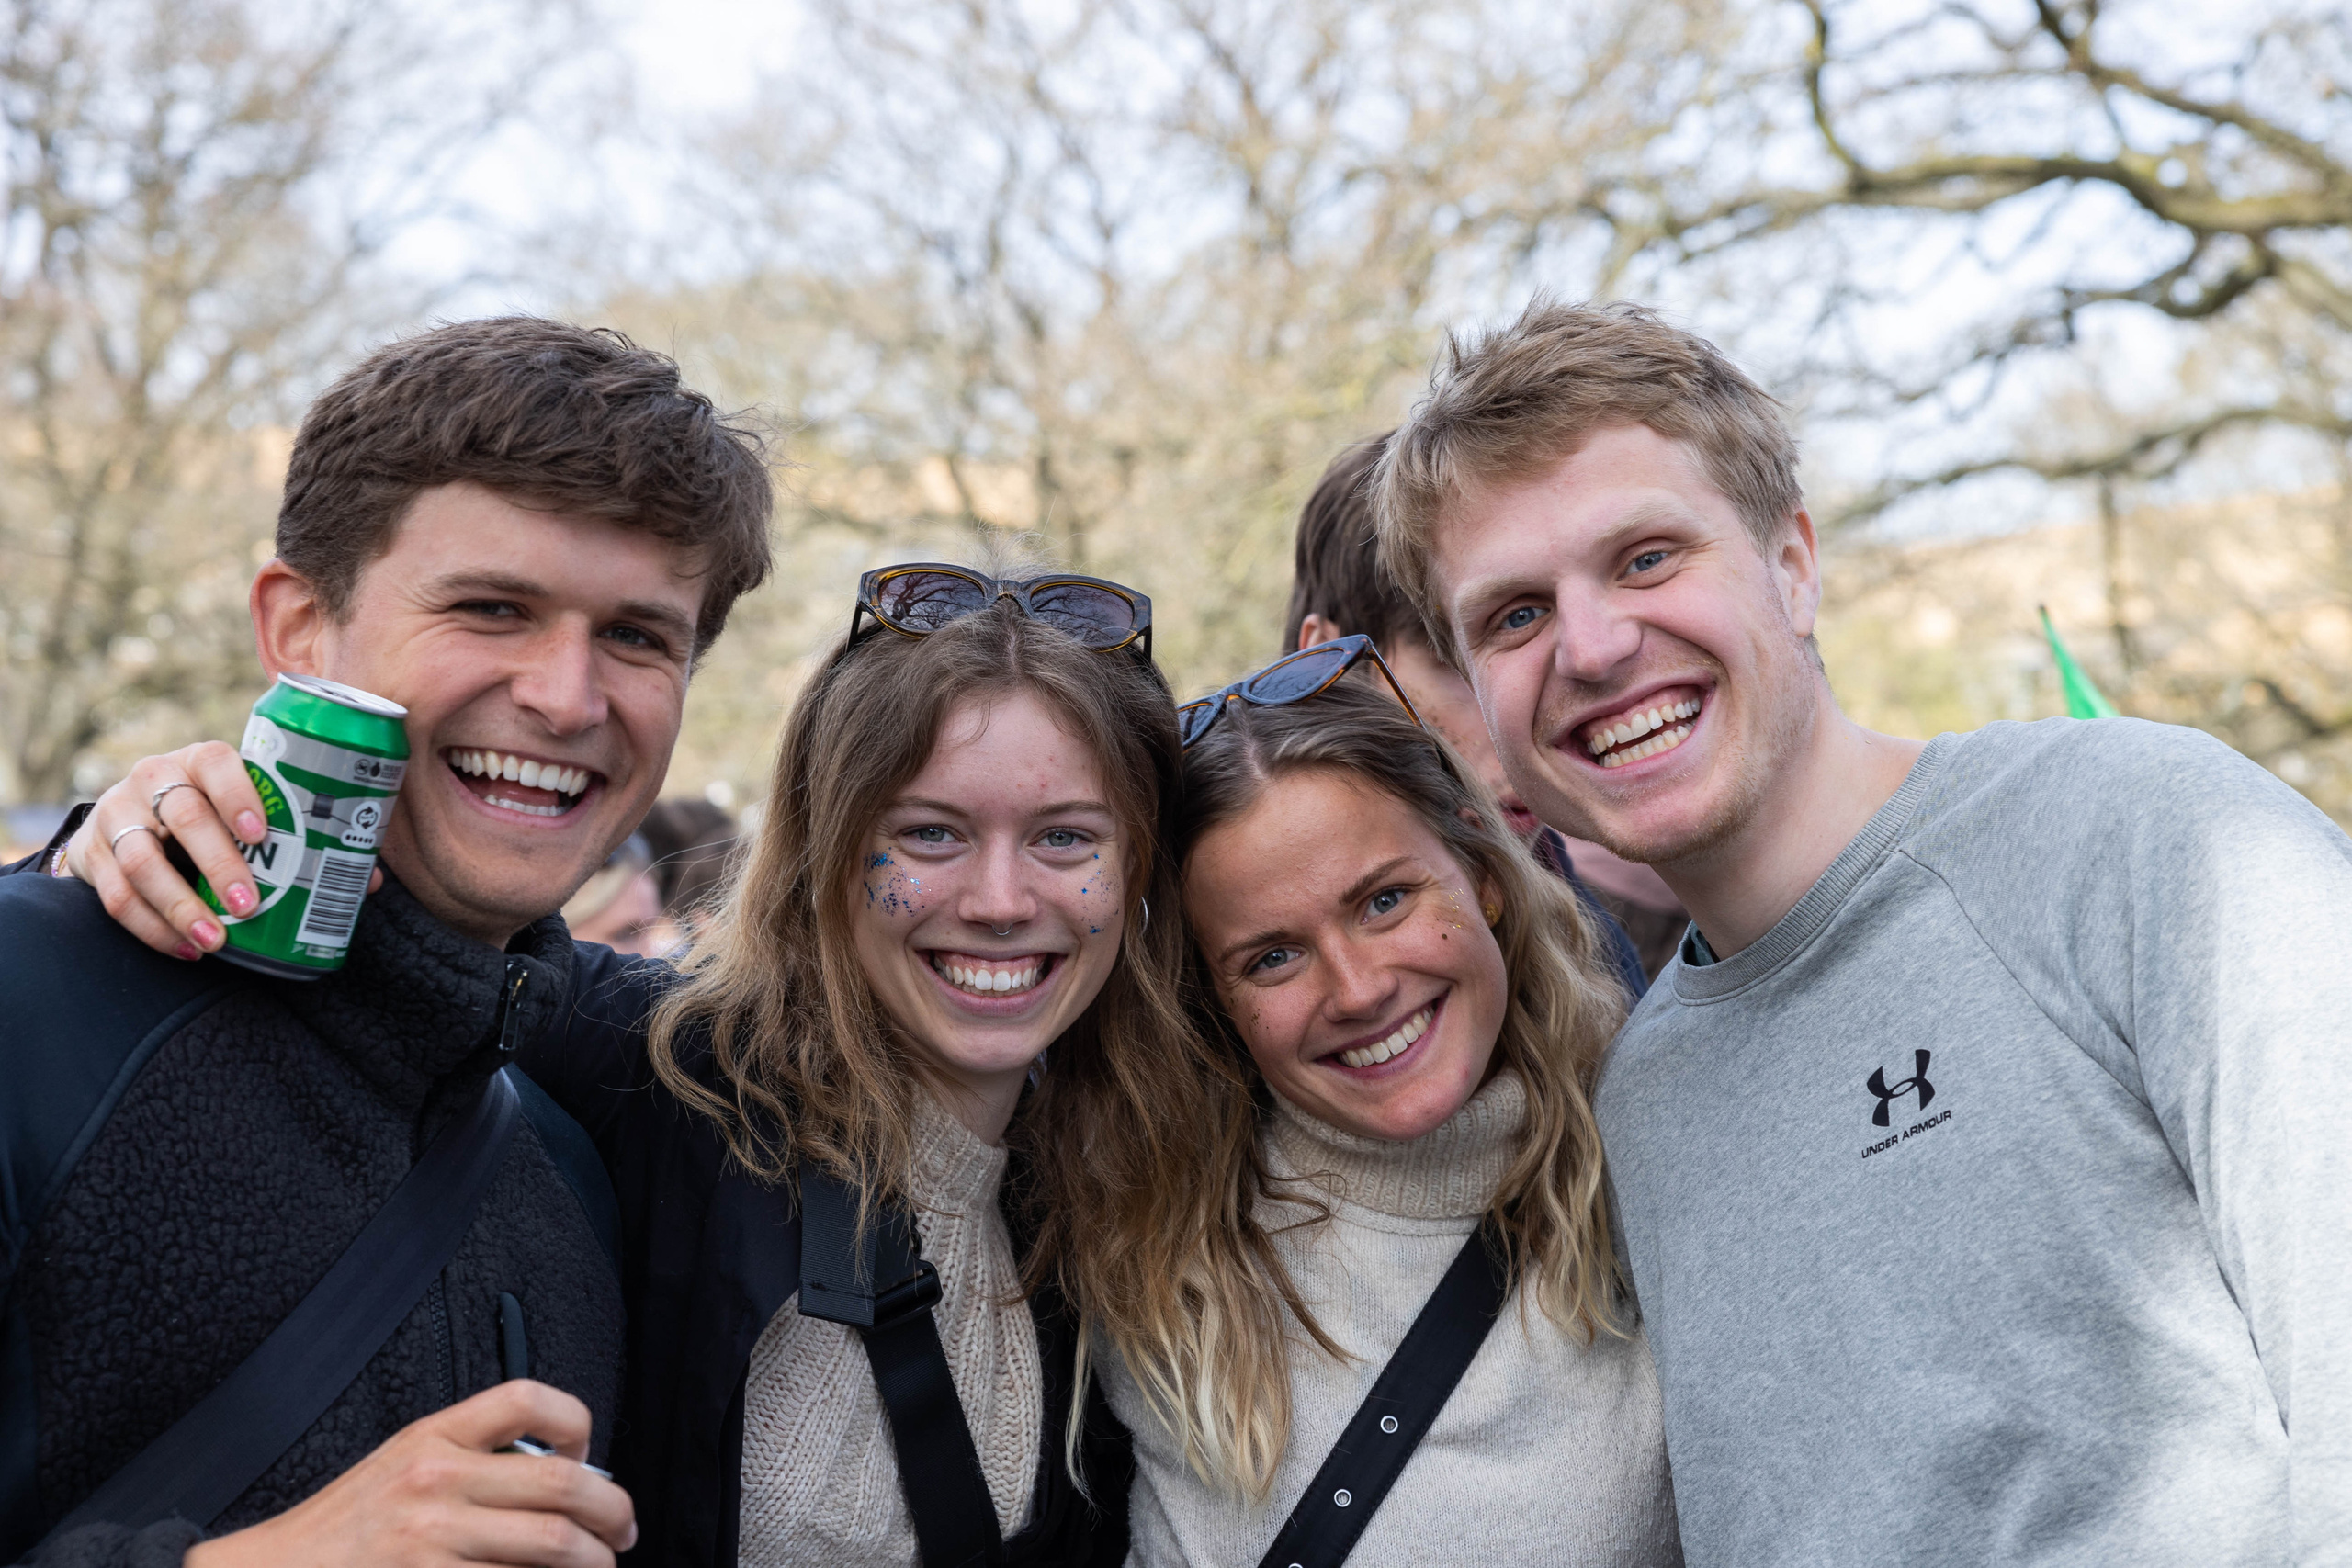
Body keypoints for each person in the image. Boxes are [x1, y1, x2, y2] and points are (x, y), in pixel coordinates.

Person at [1371, 299, 2352, 1565]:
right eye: (1514, 616)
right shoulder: (1640, 1100)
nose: (1594, 646)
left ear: (1792, 563)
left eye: (1647, 558)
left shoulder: (2148, 837)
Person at [76, 559, 1174, 1564]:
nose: (999, 901)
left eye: (1065, 838)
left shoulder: (1140, 1190)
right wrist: (136, 831)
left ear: (1138, 871)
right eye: (930, 832)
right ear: (824, 852)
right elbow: (343, 952)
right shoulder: (651, 1067)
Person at [4, 317, 772, 1566]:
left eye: (637, 635)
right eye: (492, 607)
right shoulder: (25, 1009)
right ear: (298, 626)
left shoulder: (578, 1160)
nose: (566, 697)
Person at [1043, 656, 1680, 1565]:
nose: (1358, 989)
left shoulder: (1663, 1165)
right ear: (1210, 997)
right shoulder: (1141, 1244)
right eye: (1271, 957)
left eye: (1384, 901)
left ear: (1481, 870)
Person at [1283, 434, 1667, 988]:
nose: (1514, 710)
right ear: (1326, 665)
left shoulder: (1569, 899)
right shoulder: (1236, 896)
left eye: (1522, 629)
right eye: (1456, 666)